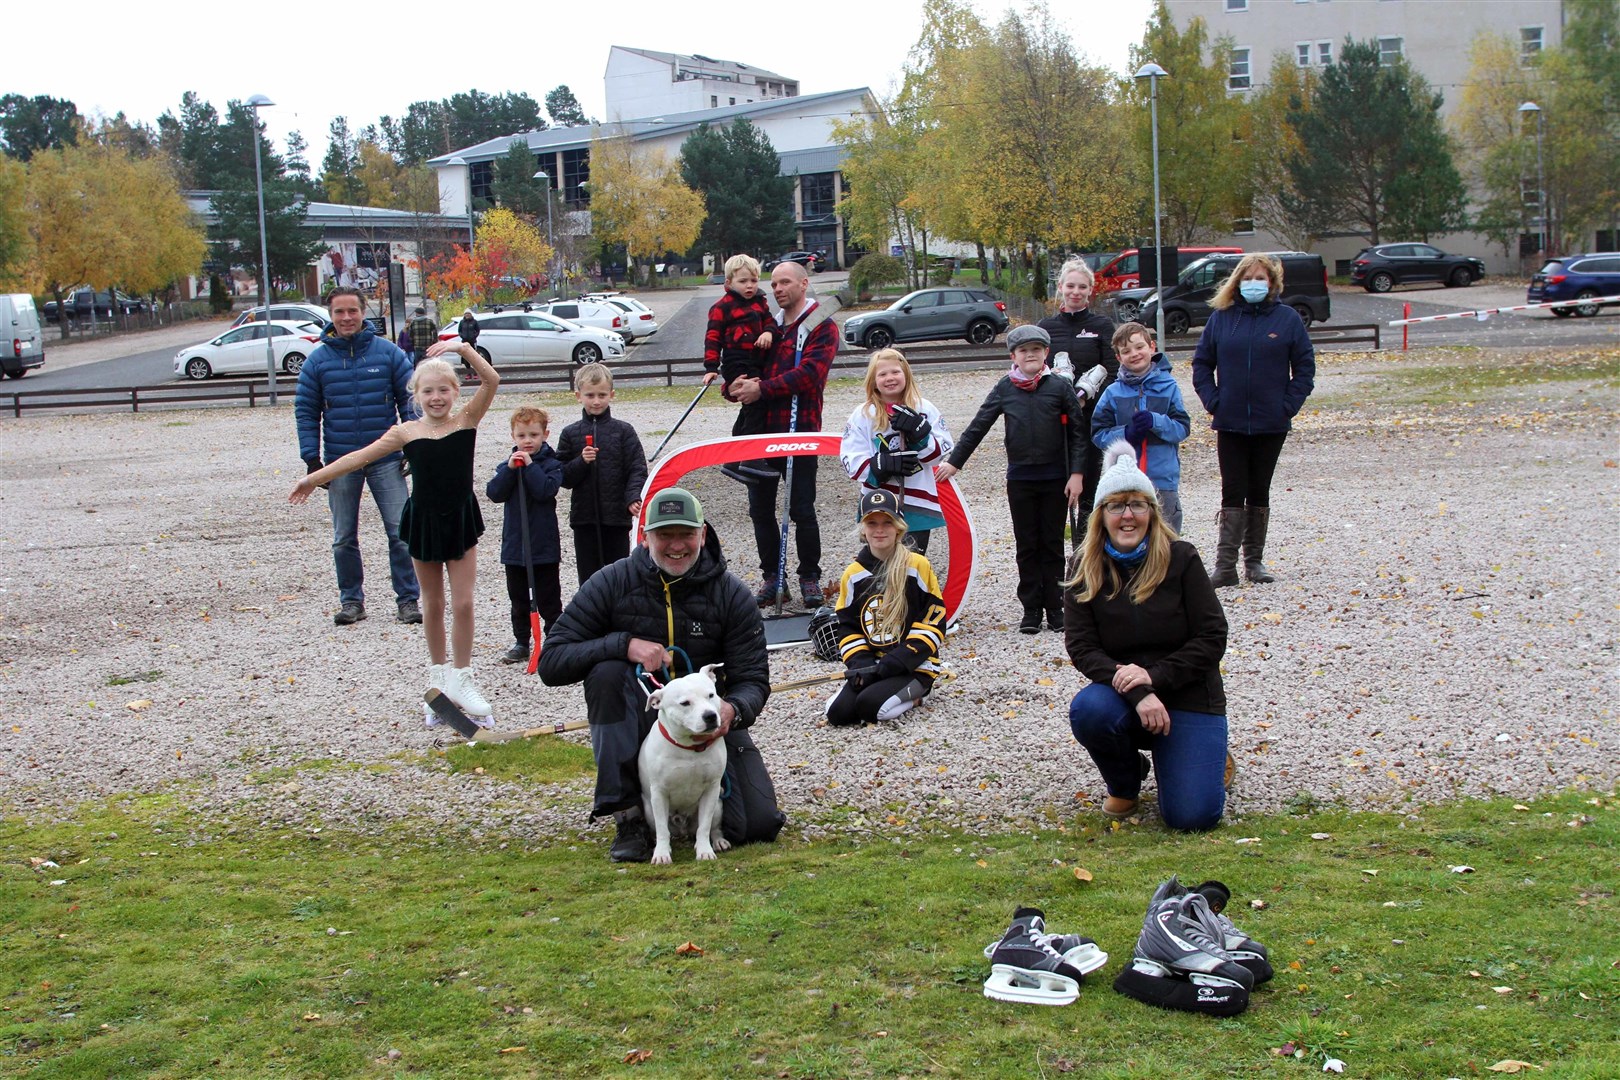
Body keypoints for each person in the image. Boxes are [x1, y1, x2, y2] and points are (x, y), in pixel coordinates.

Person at [538, 487, 778, 862]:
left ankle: (701, 810)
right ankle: (628, 814)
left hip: (707, 720)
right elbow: (551, 661)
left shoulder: (732, 594)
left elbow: (754, 679)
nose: (676, 545)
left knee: (758, 825)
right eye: (665, 535)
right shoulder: (610, 582)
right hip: (638, 714)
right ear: (645, 535)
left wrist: (733, 710)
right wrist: (623, 644)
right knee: (605, 673)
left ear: (702, 533)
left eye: (685, 534)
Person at [291, 340, 501, 723]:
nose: (436, 398)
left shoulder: (467, 419)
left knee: (464, 603)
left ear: (455, 392)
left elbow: (491, 379)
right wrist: (313, 478)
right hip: (423, 521)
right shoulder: (405, 432)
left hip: (459, 518)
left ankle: (462, 678)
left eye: (443, 390)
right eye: (428, 391)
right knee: (432, 604)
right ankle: (438, 680)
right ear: (415, 395)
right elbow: (358, 457)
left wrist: (462, 348)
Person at [1064, 444, 1229, 831]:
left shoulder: (1182, 558)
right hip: (1123, 694)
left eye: (1138, 504)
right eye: (1116, 505)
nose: (1127, 515)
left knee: (1192, 818)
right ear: (1100, 515)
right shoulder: (1082, 566)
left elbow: (1212, 635)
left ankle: (1210, 755)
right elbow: (1082, 647)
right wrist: (1139, 691)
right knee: (1089, 711)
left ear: (1152, 513)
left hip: (1189, 694)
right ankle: (1125, 781)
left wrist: (1155, 677)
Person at [935, 324, 1086, 635]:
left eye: (1036, 349)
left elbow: (1079, 434)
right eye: (1023, 350)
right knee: (1027, 544)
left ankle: (1056, 606)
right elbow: (978, 426)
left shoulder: (1059, 387)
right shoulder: (1005, 388)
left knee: (1053, 543)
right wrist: (954, 463)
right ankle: (1031, 608)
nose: (1030, 354)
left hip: (1056, 477)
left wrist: (1077, 474)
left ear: (1046, 353)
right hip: (1021, 479)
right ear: (1013, 356)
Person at [294, 286, 422, 627]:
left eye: (352, 311)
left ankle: (408, 600)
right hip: (341, 459)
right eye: (339, 312)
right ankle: (352, 601)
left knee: (400, 531)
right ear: (331, 316)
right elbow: (306, 411)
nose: (347, 317)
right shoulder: (318, 361)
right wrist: (312, 459)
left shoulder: (388, 353)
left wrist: (413, 444)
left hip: (385, 457)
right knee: (343, 537)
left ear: (363, 312)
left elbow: (409, 401)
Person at [1191, 254, 1316, 588]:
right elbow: (1202, 364)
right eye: (1248, 278)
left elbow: (1304, 368)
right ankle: (1225, 564)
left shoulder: (1287, 320)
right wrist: (1213, 400)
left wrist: (1287, 405)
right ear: (1237, 282)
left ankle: (1254, 561)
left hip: (1270, 422)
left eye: (1260, 278)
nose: (1254, 284)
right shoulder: (1222, 319)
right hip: (1230, 421)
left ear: (1272, 282)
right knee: (1232, 490)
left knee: (1259, 488)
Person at [726, 260, 838, 609]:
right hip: (759, 432)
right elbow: (746, 366)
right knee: (760, 510)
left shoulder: (822, 326)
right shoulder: (767, 326)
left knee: (801, 507)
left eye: (785, 282)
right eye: (773, 284)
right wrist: (737, 386)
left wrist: (764, 389)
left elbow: (809, 375)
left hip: (800, 429)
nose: (777, 290)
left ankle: (809, 577)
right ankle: (773, 577)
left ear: (804, 284)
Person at [824, 490, 947, 726]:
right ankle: (876, 687)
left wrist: (898, 661)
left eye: (887, 522)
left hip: (913, 665)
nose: (879, 529)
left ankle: (921, 694)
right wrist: (860, 664)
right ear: (863, 529)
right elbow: (847, 626)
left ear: (899, 527)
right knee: (838, 714)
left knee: (872, 709)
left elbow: (933, 620)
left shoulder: (917, 566)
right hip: (874, 666)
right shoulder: (853, 574)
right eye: (872, 523)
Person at [839, 348, 954, 552]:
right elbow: (851, 460)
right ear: (873, 380)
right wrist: (879, 466)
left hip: (918, 503)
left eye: (895, 372)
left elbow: (938, 455)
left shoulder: (925, 408)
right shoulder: (863, 414)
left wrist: (921, 438)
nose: (889, 378)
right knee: (878, 569)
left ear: (906, 375)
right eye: (882, 374)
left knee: (912, 566)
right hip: (877, 503)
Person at [1091, 322, 1191, 533]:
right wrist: (1125, 435)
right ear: (1119, 357)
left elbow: (1182, 428)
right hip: (1125, 477)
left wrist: (1157, 422)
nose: (1134, 354)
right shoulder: (1112, 392)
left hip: (1162, 477)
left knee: (1166, 537)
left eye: (1139, 347)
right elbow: (1098, 433)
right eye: (1126, 351)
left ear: (1152, 347)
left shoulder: (1169, 386)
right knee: (1129, 534)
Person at [557, 363, 649, 585]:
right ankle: (590, 617)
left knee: (618, 575)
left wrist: (632, 497)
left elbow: (637, 467)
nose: (596, 401)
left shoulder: (623, 431)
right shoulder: (570, 433)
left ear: (611, 395)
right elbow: (562, 476)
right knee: (588, 579)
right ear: (579, 396)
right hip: (584, 519)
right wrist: (581, 461)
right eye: (590, 395)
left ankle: (618, 617)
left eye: (601, 395)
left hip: (616, 518)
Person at [1040, 258, 1117, 517]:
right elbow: (1037, 371)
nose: (1076, 292)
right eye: (1070, 286)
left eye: (1082, 287)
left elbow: (1113, 372)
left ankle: (1088, 551)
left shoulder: (1102, 326)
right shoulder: (1045, 328)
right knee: (1055, 491)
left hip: (1091, 420)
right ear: (1060, 287)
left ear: (1090, 290)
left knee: (1090, 492)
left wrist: (1084, 398)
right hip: (1055, 422)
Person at [486, 406, 564, 664]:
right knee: (518, 599)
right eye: (522, 436)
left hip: (543, 547)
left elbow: (545, 491)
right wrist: (510, 470)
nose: (527, 441)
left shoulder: (552, 465)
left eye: (533, 435)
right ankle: (521, 641)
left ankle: (554, 639)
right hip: (515, 548)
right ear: (513, 437)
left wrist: (530, 467)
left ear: (545, 435)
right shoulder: (506, 466)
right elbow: (494, 494)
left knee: (549, 598)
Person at [702, 254, 776, 485]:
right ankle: (751, 456)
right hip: (736, 360)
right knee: (755, 404)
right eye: (743, 281)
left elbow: (771, 322)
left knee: (749, 407)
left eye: (754, 280)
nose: (749, 286)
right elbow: (712, 337)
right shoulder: (721, 307)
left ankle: (735, 456)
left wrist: (768, 333)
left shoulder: (760, 303)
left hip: (756, 358)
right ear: (729, 283)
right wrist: (711, 367)